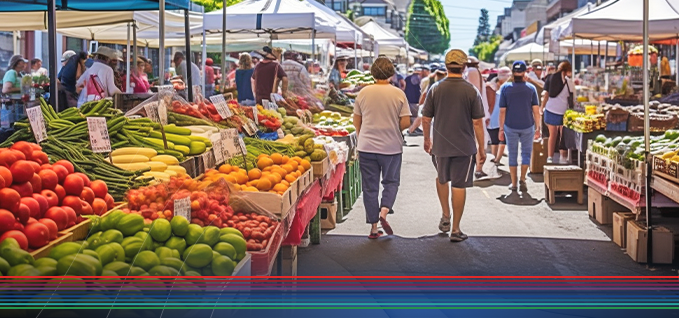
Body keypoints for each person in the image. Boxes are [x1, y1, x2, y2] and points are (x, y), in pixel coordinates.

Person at [422, 49, 486, 242]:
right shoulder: (471, 91)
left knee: (442, 179)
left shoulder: (435, 89)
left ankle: (445, 215)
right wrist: (481, 149)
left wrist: (427, 139)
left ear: (446, 66)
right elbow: (477, 122)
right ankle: (456, 229)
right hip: (464, 147)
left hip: (440, 146)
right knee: (459, 185)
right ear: (464, 66)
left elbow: (426, 118)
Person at [353, 56, 411, 239]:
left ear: (372, 73)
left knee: (370, 187)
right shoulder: (398, 93)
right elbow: (406, 121)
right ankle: (384, 212)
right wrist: (393, 128)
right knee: (391, 182)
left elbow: (357, 120)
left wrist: (364, 133)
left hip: (367, 146)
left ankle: (373, 227)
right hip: (391, 147)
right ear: (392, 74)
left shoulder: (363, 92)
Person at [497, 61, 541, 192]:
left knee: (512, 154)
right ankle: (522, 179)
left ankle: (514, 184)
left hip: (510, 125)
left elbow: (502, 111)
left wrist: (500, 128)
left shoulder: (505, 88)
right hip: (528, 125)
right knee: (526, 153)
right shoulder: (531, 88)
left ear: (512, 73)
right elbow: (536, 110)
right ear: (524, 72)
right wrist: (538, 128)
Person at [541, 61, 573, 164]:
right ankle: (563, 158)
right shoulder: (569, 82)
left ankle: (550, 157)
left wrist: (541, 107)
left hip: (550, 109)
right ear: (568, 70)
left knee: (552, 135)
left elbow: (545, 94)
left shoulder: (550, 78)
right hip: (563, 112)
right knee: (562, 135)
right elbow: (572, 97)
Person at [465, 56, 491, 180]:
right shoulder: (476, 72)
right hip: (478, 110)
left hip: (473, 111)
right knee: (478, 139)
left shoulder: (471, 72)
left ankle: (477, 168)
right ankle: (478, 168)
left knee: (476, 139)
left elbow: (474, 92)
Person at [406, 65, 446, 136]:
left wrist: (420, 102)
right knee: (422, 117)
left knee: (422, 117)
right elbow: (425, 93)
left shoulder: (431, 81)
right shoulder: (436, 83)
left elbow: (424, 93)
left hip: (428, 103)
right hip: (431, 103)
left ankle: (412, 130)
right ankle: (411, 130)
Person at [486, 66, 511, 166]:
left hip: (497, 117)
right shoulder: (493, 86)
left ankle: (496, 159)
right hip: (496, 117)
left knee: (498, 140)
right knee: (498, 140)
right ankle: (495, 159)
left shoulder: (494, 86)